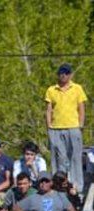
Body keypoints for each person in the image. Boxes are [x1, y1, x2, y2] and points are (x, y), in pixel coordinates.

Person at [45, 63, 88, 192]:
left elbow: (81, 108)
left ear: (70, 75)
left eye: (66, 73)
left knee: (75, 157)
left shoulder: (77, 88)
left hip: (73, 127)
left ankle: (76, 186)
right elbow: (48, 109)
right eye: (61, 73)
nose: (63, 75)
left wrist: (80, 125)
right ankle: (59, 185)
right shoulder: (51, 90)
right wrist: (49, 126)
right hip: (56, 129)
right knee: (58, 158)